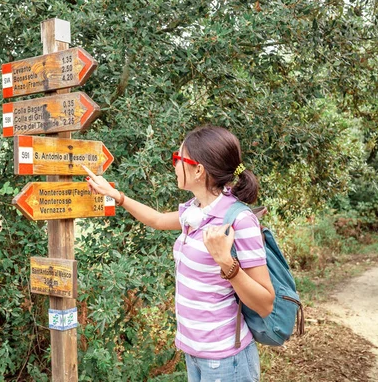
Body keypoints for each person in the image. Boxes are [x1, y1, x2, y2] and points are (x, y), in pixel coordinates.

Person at [83, 125, 274, 382]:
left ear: (198, 170)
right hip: (194, 353)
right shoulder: (195, 211)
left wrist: (226, 262)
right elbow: (159, 220)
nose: (173, 166)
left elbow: (265, 303)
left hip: (226, 360)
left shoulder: (238, 220)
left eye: (178, 159)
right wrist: (116, 195)